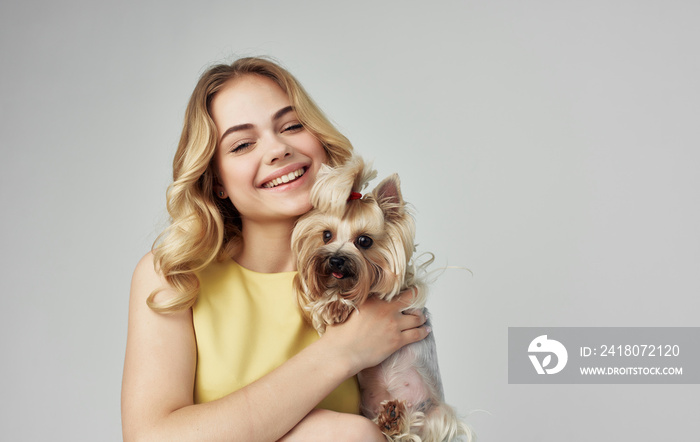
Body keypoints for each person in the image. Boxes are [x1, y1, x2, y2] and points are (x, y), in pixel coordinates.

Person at [121, 57, 430, 441]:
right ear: (216, 179)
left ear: (318, 139)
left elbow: (424, 423)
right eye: (243, 144)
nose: (277, 148)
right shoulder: (173, 278)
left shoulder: (371, 276)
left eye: (292, 125)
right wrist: (341, 354)